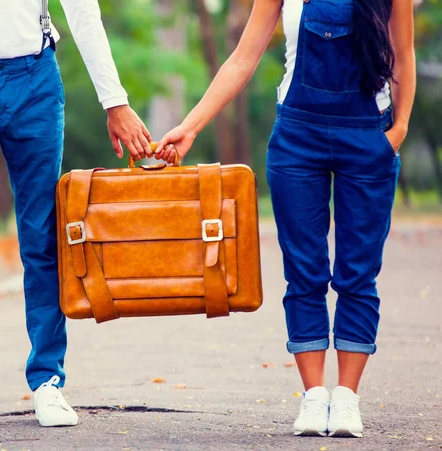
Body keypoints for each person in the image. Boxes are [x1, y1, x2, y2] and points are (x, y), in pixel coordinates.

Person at [156, 0, 415, 438]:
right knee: (304, 272)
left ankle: (347, 397)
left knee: (358, 273)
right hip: (298, 138)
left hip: (368, 137)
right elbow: (243, 58)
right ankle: (314, 396)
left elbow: (404, 55)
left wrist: (399, 130)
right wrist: (192, 126)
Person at [0, 0, 153, 431]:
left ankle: (48, 380)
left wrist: (115, 100)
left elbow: (82, 9)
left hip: (33, 82)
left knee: (43, 239)